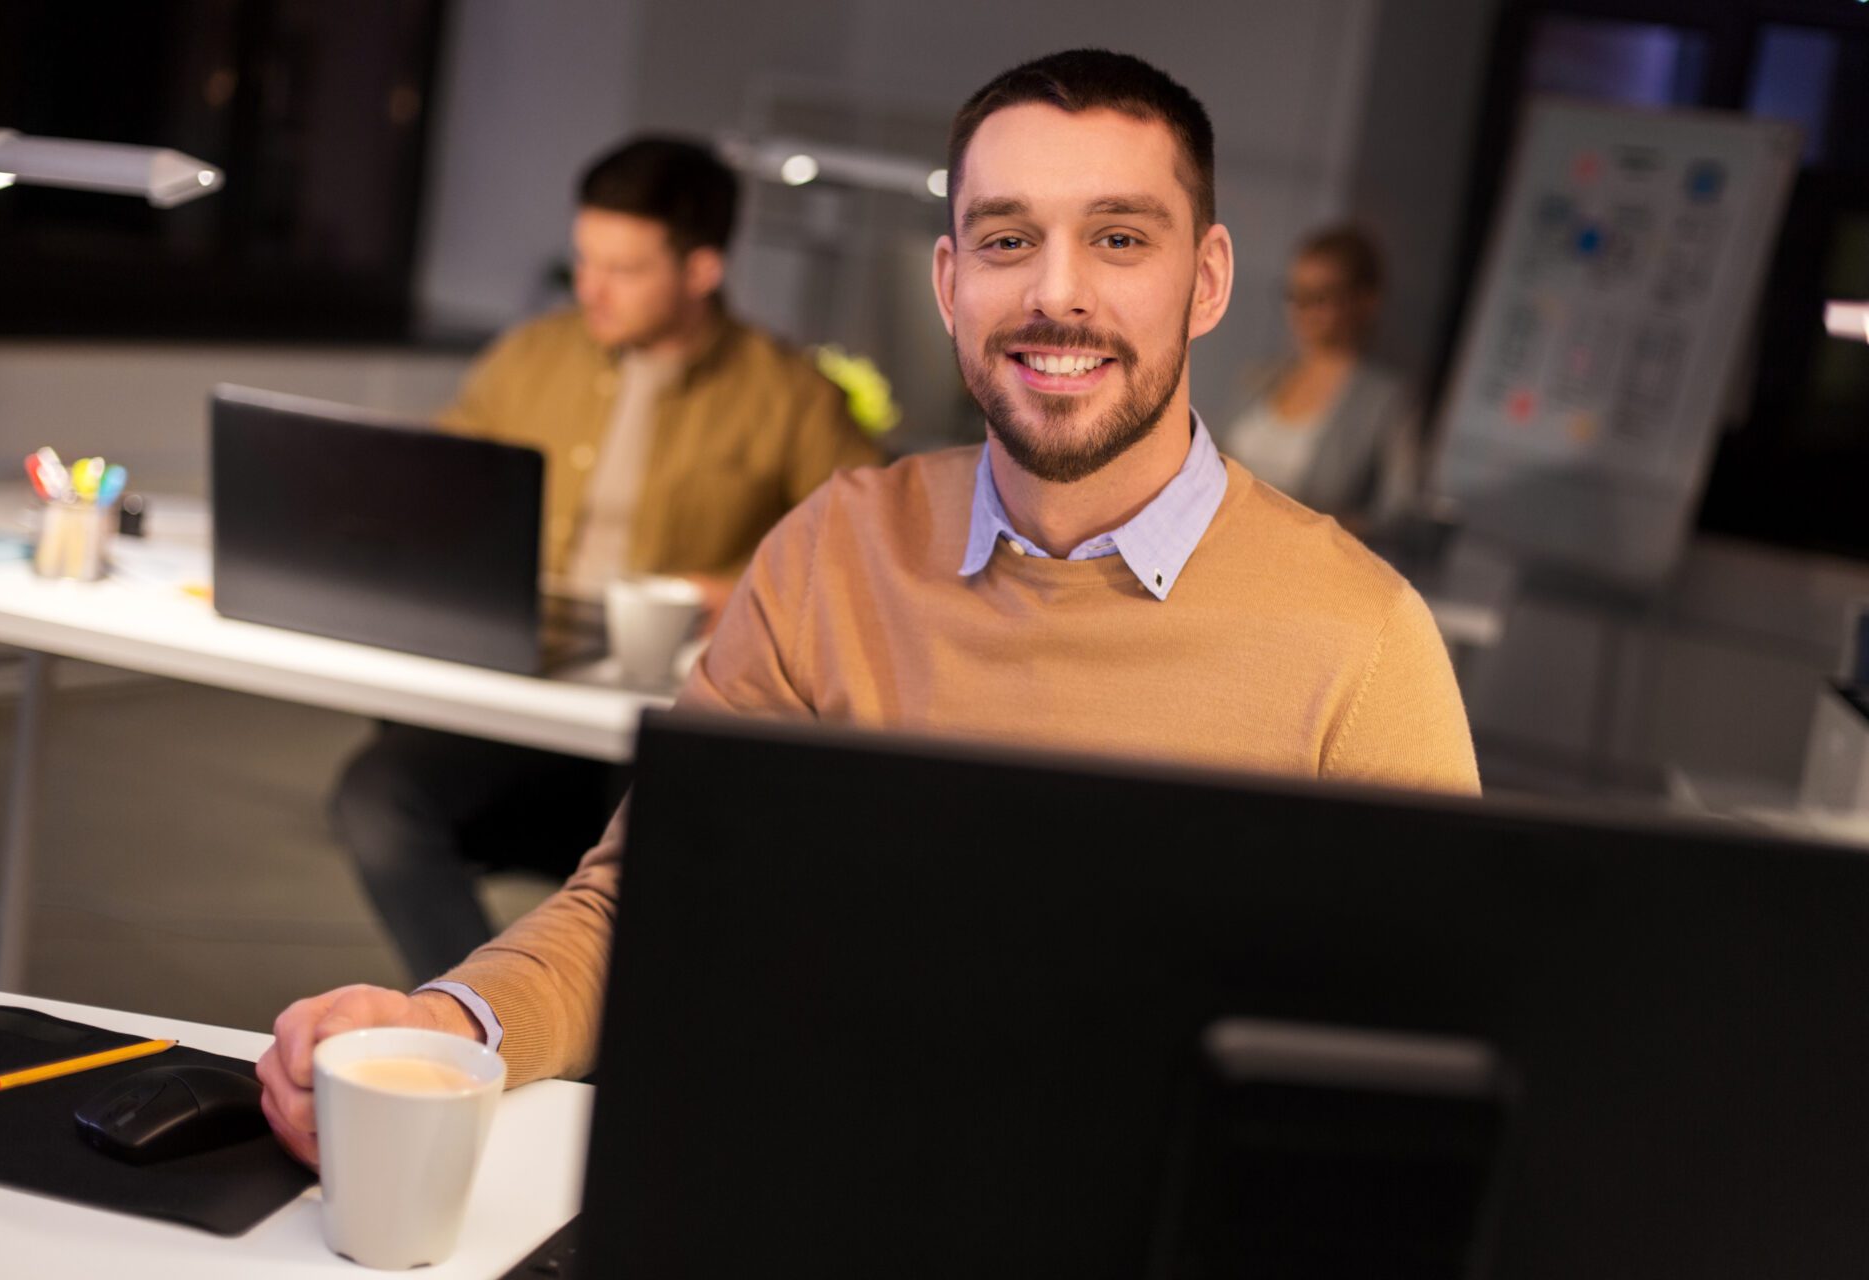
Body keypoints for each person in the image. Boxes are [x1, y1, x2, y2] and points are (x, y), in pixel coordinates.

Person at [261, 49, 1478, 1167]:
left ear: (1206, 280)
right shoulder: (835, 549)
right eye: (1006, 241)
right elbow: (649, 907)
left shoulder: (1362, 638)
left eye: (1119, 239)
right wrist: (442, 1017)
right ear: (950, 281)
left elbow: (1424, 1072)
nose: (1058, 295)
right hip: (817, 1180)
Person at [330, 137, 881, 985]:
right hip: (515, 697)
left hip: (657, 725)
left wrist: (734, 592)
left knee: (659, 854)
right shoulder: (532, 357)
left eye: (623, 268)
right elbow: (429, 498)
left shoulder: (790, 396)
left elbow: (869, 556)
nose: (591, 287)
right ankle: (478, 1016)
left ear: (702, 269)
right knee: (375, 802)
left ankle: (593, 1039)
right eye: (585, 259)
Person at [1217, 224, 1421, 530]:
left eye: (1320, 297)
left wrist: (1320, 529)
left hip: (1298, 563)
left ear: (1365, 302)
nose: (1302, 309)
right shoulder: (1261, 376)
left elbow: (1399, 514)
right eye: (1295, 294)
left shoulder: (1386, 401)